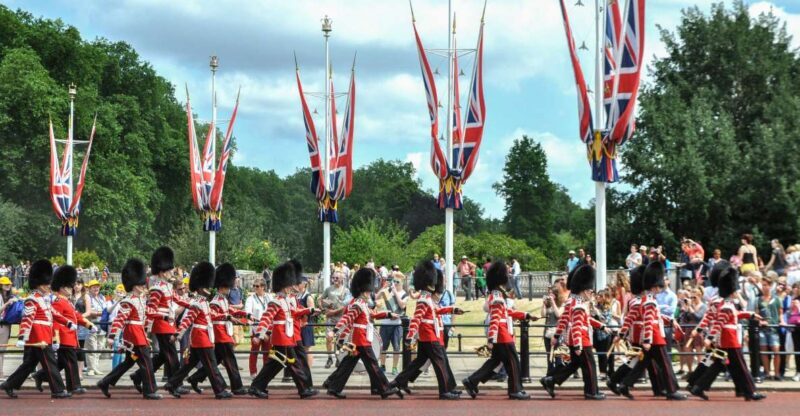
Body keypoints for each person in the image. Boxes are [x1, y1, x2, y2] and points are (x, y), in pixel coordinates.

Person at [690, 261, 767, 401]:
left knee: (718, 364)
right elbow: (717, 321)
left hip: (724, 338)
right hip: (728, 339)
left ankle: (698, 387)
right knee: (740, 366)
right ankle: (750, 392)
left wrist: (750, 314)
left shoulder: (726, 303)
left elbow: (734, 315)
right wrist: (708, 337)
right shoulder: (724, 304)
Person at [323, 268, 402, 399]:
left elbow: (373, 315)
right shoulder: (358, 304)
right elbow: (347, 318)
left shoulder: (363, 304)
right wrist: (334, 331)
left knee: (348, 364)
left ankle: (333, 385)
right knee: (373, 364)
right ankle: (384, 388)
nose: (370, 293)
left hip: (360, 338)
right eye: (368, 290)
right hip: (360, 339)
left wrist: (388, 314)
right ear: (363, 290)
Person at [463, 261, 538, 400]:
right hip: (502, 335)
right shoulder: (498, 297)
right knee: (513, 362)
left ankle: (471, 381)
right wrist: (491, 339)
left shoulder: (496, 295)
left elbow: (507, 312)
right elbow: (495, 319)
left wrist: (526, 315)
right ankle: (515, 390)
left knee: (495, 362)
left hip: (500, 334)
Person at [391, 260, 463, 400]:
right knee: (440, 362)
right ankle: (445, 391)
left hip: (430, 335)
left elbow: (437, 311)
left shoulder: (427, 297)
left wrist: (453, 309)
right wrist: (409, 336)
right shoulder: (424, 298)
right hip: (429, 336)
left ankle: (397, 383)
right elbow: (416, 319)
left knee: (419, 362)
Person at [1, 260, 71, 399]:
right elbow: (27, 319)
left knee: (29, 364)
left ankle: (9, 384)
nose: (48, 286)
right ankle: (58, 390)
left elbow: (53, 314)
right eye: (46, 284)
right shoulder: (32, 299)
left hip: (45, 335)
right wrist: (22, 337)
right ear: (39, 284)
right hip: (39, 338)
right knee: (50, 363)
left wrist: (67, 322)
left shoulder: (44, 299)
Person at [617, 262, 686, 400]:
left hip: (652, 336)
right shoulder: (650, 300)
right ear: (655, 286)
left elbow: (656, 316)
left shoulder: (647, 299)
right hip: (654, 338)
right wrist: (648, 340)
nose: (661, 288)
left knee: (642, 363)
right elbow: (648, 321)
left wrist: (671, 321)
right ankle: (671, 390)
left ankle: (625, 384)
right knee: (665, 364)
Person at [163, 262, 232, 399]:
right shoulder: (197, 303)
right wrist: (177, 334)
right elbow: (187, 320)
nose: (209, 288)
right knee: (211, 364)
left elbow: (211, 315)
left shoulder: (203, 301)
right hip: (201, 338)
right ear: (200, 288)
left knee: (189, 365)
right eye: (206, 286)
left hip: (203, 336)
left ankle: (171, 384)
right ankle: (219, 390)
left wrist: (227, 317)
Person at [96, 259, 162, 400]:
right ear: (134, 285)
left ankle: (105, 382)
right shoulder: (128, 301)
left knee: (129, 362)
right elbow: (119, 319)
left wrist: (164, 314)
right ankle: (149, 390)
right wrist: (112, 336)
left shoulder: (140, 299)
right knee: (146, 363)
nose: (143, 286)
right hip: (134, 337)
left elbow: (147, 313)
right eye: (140, 284)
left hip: (138, 334)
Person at [249, 262, 316, 399]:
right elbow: (266, 318)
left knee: (275, 364)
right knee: (293, 362)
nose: (291, 287)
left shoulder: (287, 300)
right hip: (282, 337)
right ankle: (304, 389)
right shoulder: (276, 301)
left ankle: (256, 386)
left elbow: (294, 313)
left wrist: (309, 310)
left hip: (289, 336)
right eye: (288, 285)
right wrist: (259, 334)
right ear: (283, 285)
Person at [541, 264, 607, 400]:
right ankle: (592, 392)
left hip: (574, 338)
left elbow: (566, 319)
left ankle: (551, 380)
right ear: (584, 290)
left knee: (574, 365)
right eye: (590, 291)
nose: (591, 293)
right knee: (590, 366)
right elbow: (577, 325)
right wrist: (578, 345)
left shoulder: (572, 301)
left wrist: (601, 326)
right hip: (581, 339)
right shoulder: (579, 305)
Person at [186, 263, 251, 395]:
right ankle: (237, 387)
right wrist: (229, 318)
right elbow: (215, 317)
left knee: (214, 363)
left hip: (224, 333)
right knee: (230, 361)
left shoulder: (223, 300)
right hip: (220, 335)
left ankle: (195, 378)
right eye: (227, 286)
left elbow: (231, 311)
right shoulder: (215, 301)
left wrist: (247, 315)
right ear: (222, 286)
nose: (229, 289)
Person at [131, 247, 189, 394]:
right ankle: (175, 384)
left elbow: (178, 299)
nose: (172, 272)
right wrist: (162, 317)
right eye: (169, 270)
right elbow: (150, 310)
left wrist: (194, 304)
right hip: (162, 325)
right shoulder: (157, 288)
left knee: (164, 355)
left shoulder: (168, 286)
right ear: (163, 272)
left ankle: (138, 376)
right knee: (172, 356)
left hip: (168, 324)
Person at [32, 266, 97, 394]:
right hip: (64, 337)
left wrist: (89, 325)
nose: (71, 289)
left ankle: (40, 375)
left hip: (71, 337)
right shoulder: (58, 302)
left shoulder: (67, 302)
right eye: (69, 286)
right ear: (62, 288)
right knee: (71, 362)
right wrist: (56, 339)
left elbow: (77, 316)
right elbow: (56, 322)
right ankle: (74, 386)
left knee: (62, 363)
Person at [606, 265, 664, 398]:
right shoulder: (638, 301)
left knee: (641, 362)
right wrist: (622, 334)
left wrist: (670, 320)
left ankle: (657, 388)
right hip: (641, 334)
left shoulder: (640, 299)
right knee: (641, 361)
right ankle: (622, 383)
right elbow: (632, 318)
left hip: (643, 333)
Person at [377, 272, 408, 375]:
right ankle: (382, 365)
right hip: (385, 323)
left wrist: (395, 292)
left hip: (397, 324)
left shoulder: (404, 294)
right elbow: (375, 298)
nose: (395, 283)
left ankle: (394, 367)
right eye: (393, 281)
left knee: (396, 347)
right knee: (383, 346)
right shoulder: (387, 291)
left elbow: (402, 306)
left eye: (397, 281)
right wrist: (383, 287)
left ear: (402, 282)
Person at [757, 275, 784, 381]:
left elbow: (780, 313)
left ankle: (776, 373)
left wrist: (782, 321)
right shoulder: (758, 299)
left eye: (766, 285)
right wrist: (760, 321)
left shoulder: (777, 299)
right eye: (763, 285)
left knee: (776, 351)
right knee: (763, 351)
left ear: (770, 286)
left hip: (773, 329)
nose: (764, 287)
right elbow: (756, 313)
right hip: (762, 329)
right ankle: (767, 373)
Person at [321, 271, 349, 369]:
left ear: (342, 279)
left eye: (337, 278)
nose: (335, 279)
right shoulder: (328, 289)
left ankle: (338, 358)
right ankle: (329, 358)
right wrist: (324, 309)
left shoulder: (346, 290)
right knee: (329, 338)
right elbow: (321, 299)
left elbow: (346, 306)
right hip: (330, 318)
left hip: (341, 318)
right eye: (333, 278)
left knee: (340, 340)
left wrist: (334, 311)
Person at [245, 278, 271, 377]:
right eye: (254, 286)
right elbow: (248, 313)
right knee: (254, 351)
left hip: (268, 328)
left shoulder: (269, 297)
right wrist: (260, 333)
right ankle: (253, 372)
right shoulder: (250, 299)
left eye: (257, 286)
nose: (255, 288)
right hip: (256, 328)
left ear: (263, 287)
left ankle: (265, 373)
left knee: (267, 352)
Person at [84, 279, 107, 376]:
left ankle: (95, 367)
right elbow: (89, 312)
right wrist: (100, 313)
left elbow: (106, 310)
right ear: (89, 288)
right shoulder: (87, 297)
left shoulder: (102, 297)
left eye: (97, 286)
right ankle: (90, 369)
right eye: (93, 287)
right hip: (92, 325)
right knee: (91, 348)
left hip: (102, 326)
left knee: (99, 348)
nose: (96, 288)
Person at [541, 282, 565, 374]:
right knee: (548, 354)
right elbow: (543, 314)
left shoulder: (561, 304)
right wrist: (543, 304)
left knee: (557, 353)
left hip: (556, 331)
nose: (550, 295)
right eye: (549, 293)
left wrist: (553, 302)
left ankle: (558, 372)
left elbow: (558, 314)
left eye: (552, 293)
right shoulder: (548, 304)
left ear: (556, 295)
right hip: (547, 332)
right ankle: (550, 372)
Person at [0, 277, 18, 380]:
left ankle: (1, 372)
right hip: (2, 326)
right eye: (6, 284)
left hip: (5, 326)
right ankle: (0, 373)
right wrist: (7, 304)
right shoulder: (3, 297)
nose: (8, 286)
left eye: (9, 284)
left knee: (2, 350)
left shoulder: (9, 296)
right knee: (1, 350)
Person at [228, 276, 245, 345]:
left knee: (240, 339)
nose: (236, 279)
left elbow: (241, 304)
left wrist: (237, 306)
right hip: (232, 315)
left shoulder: (240, 290)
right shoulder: (229, 290)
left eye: (237, 278)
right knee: (235, 338)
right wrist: (236, 306)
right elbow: (227, 304)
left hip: (239, 315)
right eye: (235, 278)